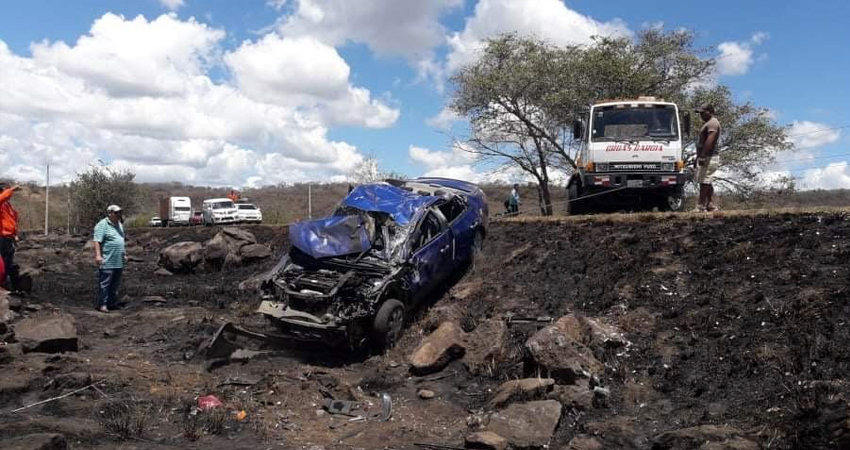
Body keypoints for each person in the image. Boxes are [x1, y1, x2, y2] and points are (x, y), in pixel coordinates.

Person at [93, 205, 127, 313]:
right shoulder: (102, 224)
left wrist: (124, 254)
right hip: (107, 259)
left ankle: (111, 303)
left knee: (115, 284)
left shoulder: (119, 225)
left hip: (118, 260)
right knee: (105, 283)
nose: (119, 215)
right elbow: (97, 240)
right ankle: (102, 304)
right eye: (116, 213)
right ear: (110, 213)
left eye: (120, 212)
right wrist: (98, 255)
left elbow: (121, 240)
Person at [694, 104, 721, 211]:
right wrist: (697, 157)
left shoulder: (713, 123)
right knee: (706, 180)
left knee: (704, 180)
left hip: (709, 156)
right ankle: (710, 204)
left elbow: (710, 140)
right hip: (705, 156)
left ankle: (701, 205)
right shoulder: (708, 123)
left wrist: (703, 156)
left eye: (703, 112)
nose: (701, 115)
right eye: (700, 113)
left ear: (709, 111)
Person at [0, 182, 21, 292]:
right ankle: (3, 284)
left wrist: (15, 234)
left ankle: (8, 285)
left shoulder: (7, 205)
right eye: (7, 189)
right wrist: (12, 189)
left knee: (8, 262)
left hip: (9, 237)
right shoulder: (1, 202)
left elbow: (12, 220)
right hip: (2, 237)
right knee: (4, 263)